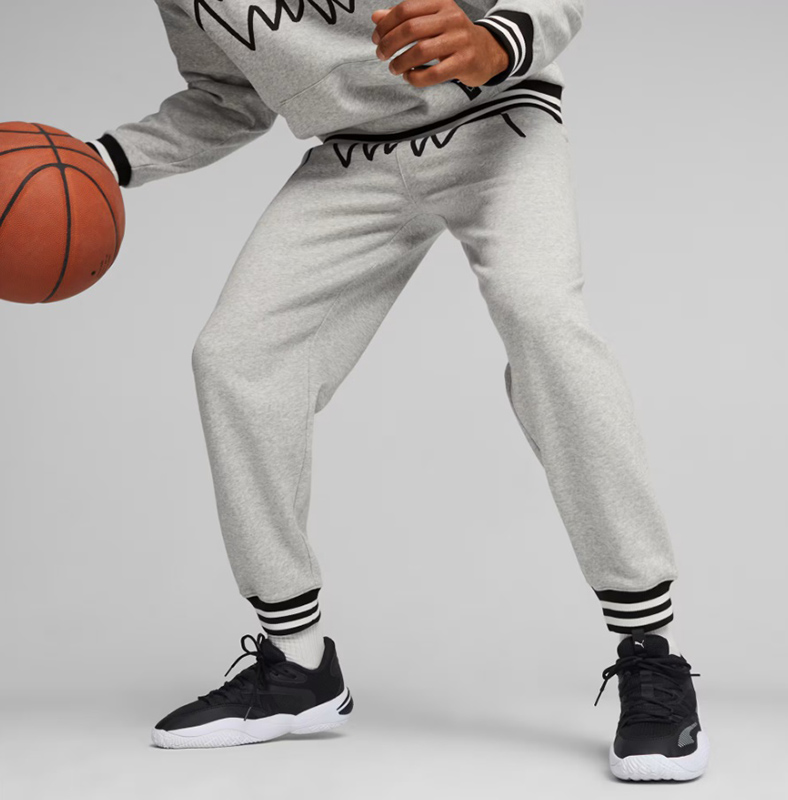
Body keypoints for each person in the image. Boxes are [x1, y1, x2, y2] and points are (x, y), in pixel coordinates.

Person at [85, 0, 709, 780]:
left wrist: (498, 41)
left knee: (542, 320)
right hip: (352, 156)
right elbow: (227, 97)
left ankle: (651, 650)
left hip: (497, 120)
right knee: (237, 361)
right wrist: (100, 160)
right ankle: (298, 665)